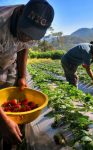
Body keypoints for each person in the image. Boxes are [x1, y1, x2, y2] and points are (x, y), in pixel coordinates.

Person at [0, 0, 54, 149]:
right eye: (24, 31)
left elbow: (24, 48)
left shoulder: (30, 35)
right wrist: (2, 120)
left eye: (31, 35)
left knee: (9, 103)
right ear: (20, 12)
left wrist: (22, 76)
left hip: (8, 60)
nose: (26, 38)